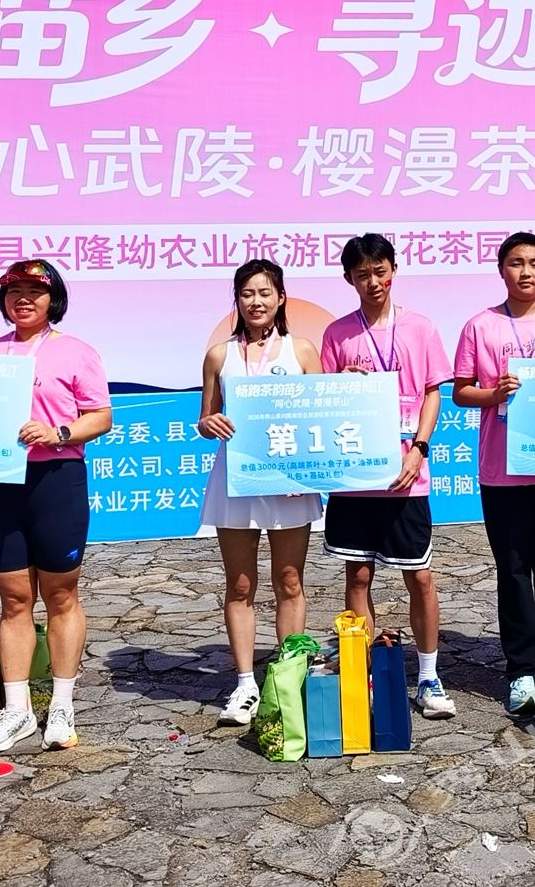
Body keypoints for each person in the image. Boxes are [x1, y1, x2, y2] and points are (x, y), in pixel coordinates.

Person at [0, 259, 114, 751]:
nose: (24, 299)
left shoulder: (76, 351)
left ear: (54, 299)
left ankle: (62, 706)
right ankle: (17, 711)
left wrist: (60, 433)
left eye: (35, 291)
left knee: (61, 596)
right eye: (14, 292)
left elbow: (101, 416)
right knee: (14, 600)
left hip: (56, 480)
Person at [319, 233, 457, 720]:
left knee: (419, 576)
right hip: (356, 477)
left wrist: (419, 448)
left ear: (393, 270)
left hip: (405, 473)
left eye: (380, 271)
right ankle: (365, 673)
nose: (373, 282)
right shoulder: (337, 334)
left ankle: (429, 676)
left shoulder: (420, 327)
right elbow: (326, 402)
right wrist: (339, 384)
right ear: (349, 279)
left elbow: (433, 392)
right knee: (357, 573)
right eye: (362, 274)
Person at [452, 232, 535, 715]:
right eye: (515, 263)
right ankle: (521, 670)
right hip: (501, 470)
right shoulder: (480, 325)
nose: (525, 272)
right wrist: (494, 393)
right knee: (511, 569)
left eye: (534, 263)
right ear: (501, 269)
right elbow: (461, 391)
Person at [196, 259, 324, 726]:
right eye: (247, 293)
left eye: (265, 292)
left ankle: (289, 677)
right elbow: (204, 419)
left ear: (281, 298)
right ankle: (246, 683)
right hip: (237, 481)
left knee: (289, 580)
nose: (256, 302)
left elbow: (318, 417)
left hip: (289, 485)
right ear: (237, 300)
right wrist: (209, 423)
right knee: (240, 584)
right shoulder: (219, 355)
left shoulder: (302, 350)